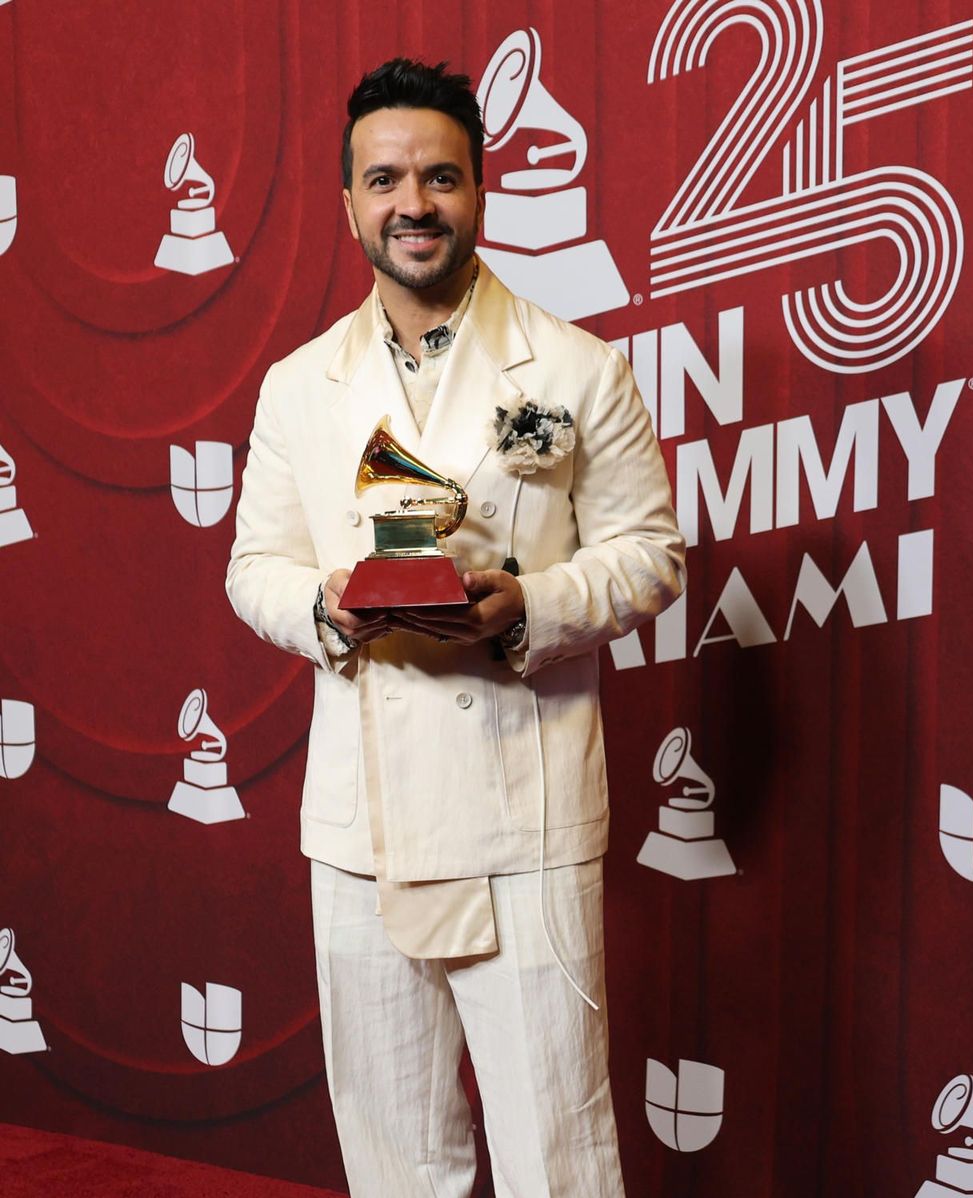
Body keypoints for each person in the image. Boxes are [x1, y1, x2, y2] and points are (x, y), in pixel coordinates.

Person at [226, 57, 686, 1198]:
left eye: (439, 176)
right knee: (393, 1162)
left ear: (481, 191)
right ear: (348, 202)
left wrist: (533, 601)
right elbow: (254, 569)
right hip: (360, 826)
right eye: (383, 180)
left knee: (556, 1160)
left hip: (521, 813)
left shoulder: (577, 368)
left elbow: (651, 555)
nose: (411, 203)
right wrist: (326, 608)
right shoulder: (297, 387)